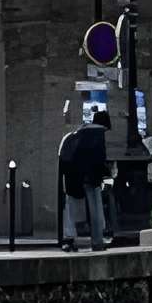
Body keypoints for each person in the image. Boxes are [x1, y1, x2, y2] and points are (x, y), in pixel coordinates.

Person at [57, 107, 110, 252]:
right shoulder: (98, 133)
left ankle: (69, 238)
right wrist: (104, 173)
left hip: (72, 176)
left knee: (71, 208)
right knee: (95, 209)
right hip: (89, 177)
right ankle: (97, 241)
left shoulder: (80, 132)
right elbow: (99, 157)